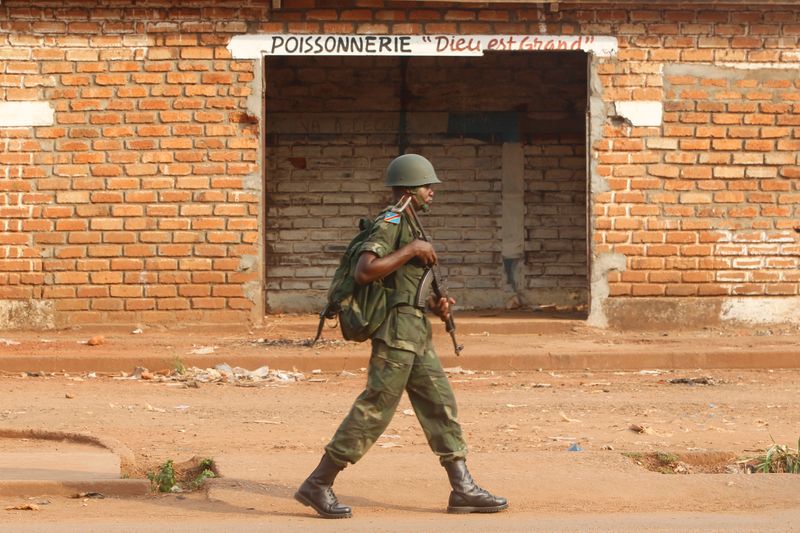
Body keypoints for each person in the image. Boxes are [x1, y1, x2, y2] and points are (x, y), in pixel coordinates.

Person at [294, 154, 508, 518]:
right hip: (395, 333)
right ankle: (318, 483)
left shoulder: (410, 224)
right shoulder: (392, 221)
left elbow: (404, 282)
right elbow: (366, 271)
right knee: (376, 407)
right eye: (428, 186)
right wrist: (412, 250)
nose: (432, 193)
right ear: (410, 187)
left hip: (415, 331)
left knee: (440, 404)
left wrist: (437, 304)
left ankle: (463, 489)